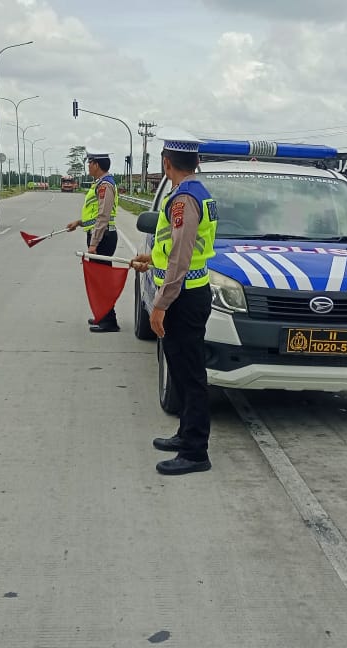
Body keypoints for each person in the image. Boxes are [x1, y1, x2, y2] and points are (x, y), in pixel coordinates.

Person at [130, 130, 217, 476]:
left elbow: (182, 258)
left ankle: (196, 452)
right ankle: (185, 435)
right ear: (196, 162)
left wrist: (162, 305)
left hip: (183, 297)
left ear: (166, 163)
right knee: (181, 371)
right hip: (189, 291)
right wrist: (150, 258)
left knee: (191, 375)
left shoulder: (182, 201)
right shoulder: (197, 193)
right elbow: (177, 248)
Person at [66, 149, 121, 332]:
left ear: (96, 164)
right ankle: (103, 315)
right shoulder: (100, 184)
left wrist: (94, 243)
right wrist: (79, 222)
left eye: (89, 162)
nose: (88, 165)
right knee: (100, 279)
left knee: (102, 280)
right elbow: (95, 214)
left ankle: (109, 321)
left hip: (103, 238)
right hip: (100, 236)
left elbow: (103, 217)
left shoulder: (105, 185)